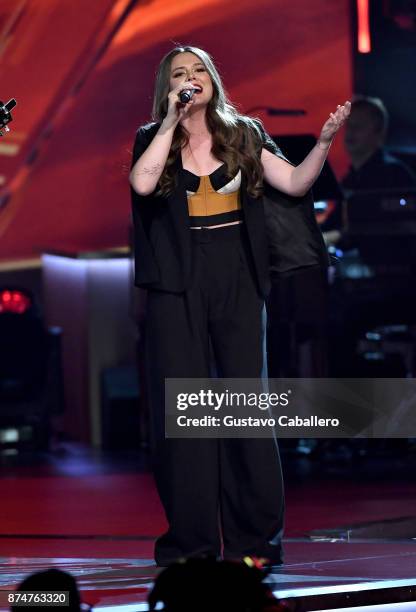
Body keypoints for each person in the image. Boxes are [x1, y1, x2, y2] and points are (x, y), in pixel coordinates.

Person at [129, 45, 350, 567]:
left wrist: (321, 144)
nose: (191, 79)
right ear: (167, 88)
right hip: (178, 281)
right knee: (184, 414)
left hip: (236, 273)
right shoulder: (151, 137)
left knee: (245, 409)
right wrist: (169, 124)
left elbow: (294, 182)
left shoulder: (243, 133)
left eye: (198, 70)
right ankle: (193, 546)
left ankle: (255, 543)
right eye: (178, 74)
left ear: (213, 78)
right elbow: (141, 182)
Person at [342, 95, 416, 194]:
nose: (351, 131)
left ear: (379, 133)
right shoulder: (348, 181)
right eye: (348, 124)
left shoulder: (395, 176)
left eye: (359, 125)